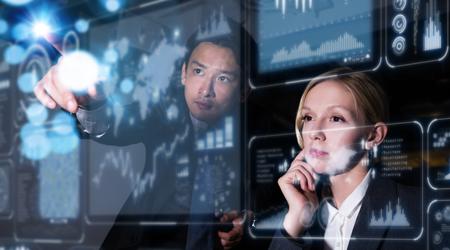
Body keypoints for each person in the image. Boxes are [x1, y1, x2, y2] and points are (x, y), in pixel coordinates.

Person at [33, 23, 246, 250]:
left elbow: (270, 203)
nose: (206, 90)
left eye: (223, 78)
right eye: (198, 71)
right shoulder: (163, 113)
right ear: (184, 74)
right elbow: (115, 124)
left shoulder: (258, 138)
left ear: (244, 91)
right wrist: (87, 102)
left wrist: (249, 223)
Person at [269, 68, 423, 250]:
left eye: (336, 118)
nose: (315, 133)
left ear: (373, 136)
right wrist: (295, 222)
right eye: (308, 117)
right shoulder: (294, 214)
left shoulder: (421, 210)